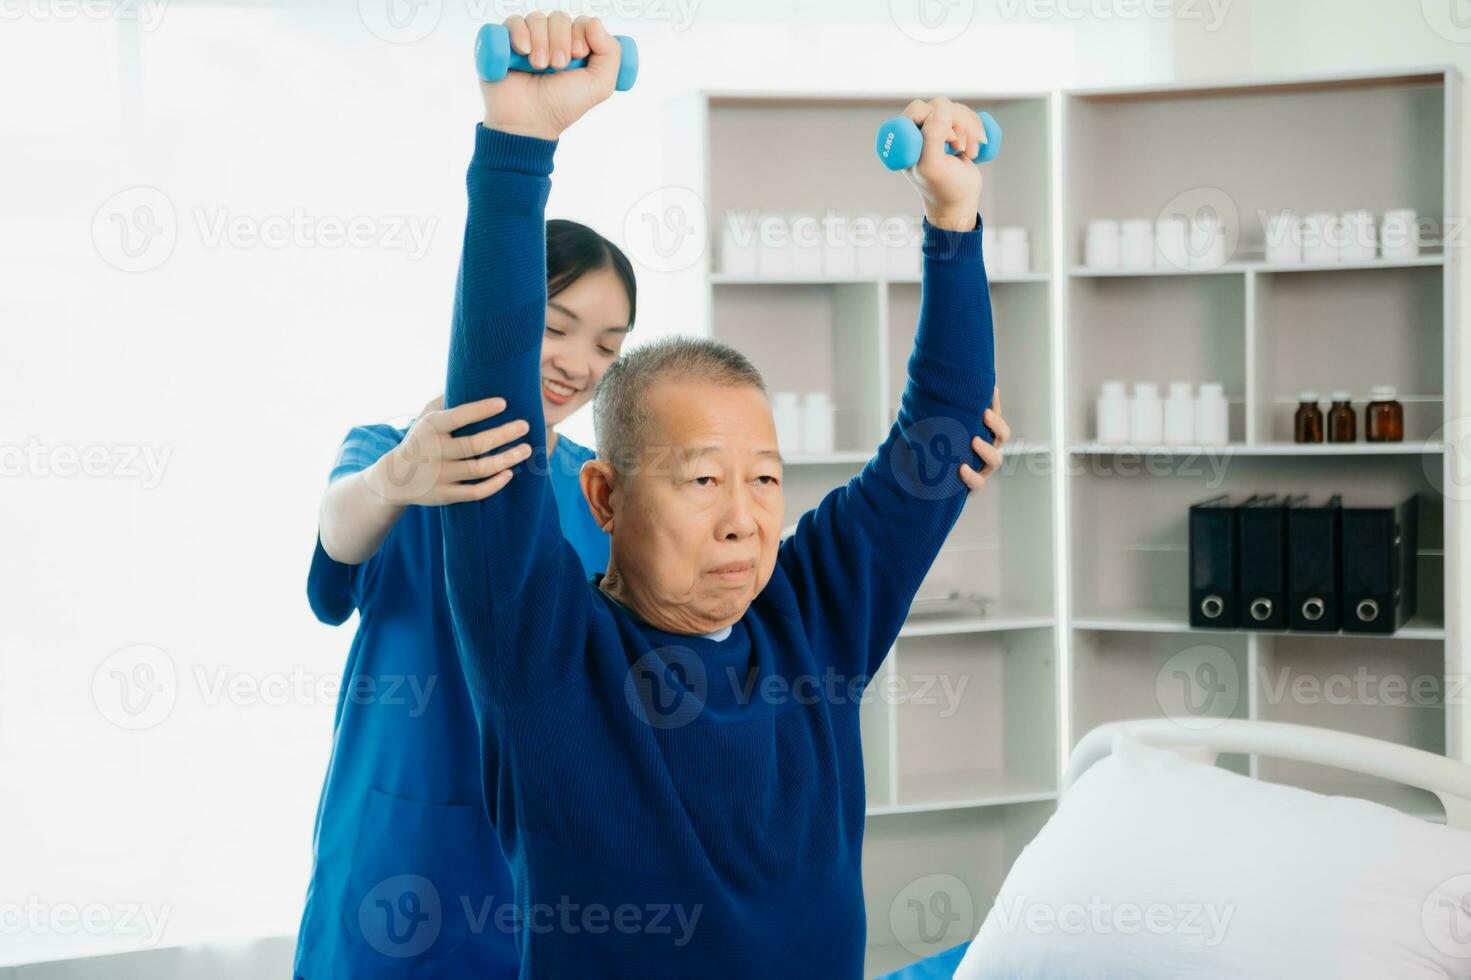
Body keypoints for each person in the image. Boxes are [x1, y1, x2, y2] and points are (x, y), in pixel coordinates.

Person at [438, 12, 1009, 977]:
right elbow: (493, 424)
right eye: (703, 480)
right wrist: (517, 144)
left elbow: (944, 430)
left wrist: (953, 219)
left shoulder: (812, 619)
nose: (744, 518)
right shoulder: (546, 656)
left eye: (765, 480)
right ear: (605, 497)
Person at [292, 218, 637, 978]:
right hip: (400, 831)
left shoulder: (597, 487)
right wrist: (396, 479)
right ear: (496, 318)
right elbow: (337, 545)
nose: (580, 364)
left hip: (542, 848)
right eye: (557, 327)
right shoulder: (395, 450)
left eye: (607, 347)